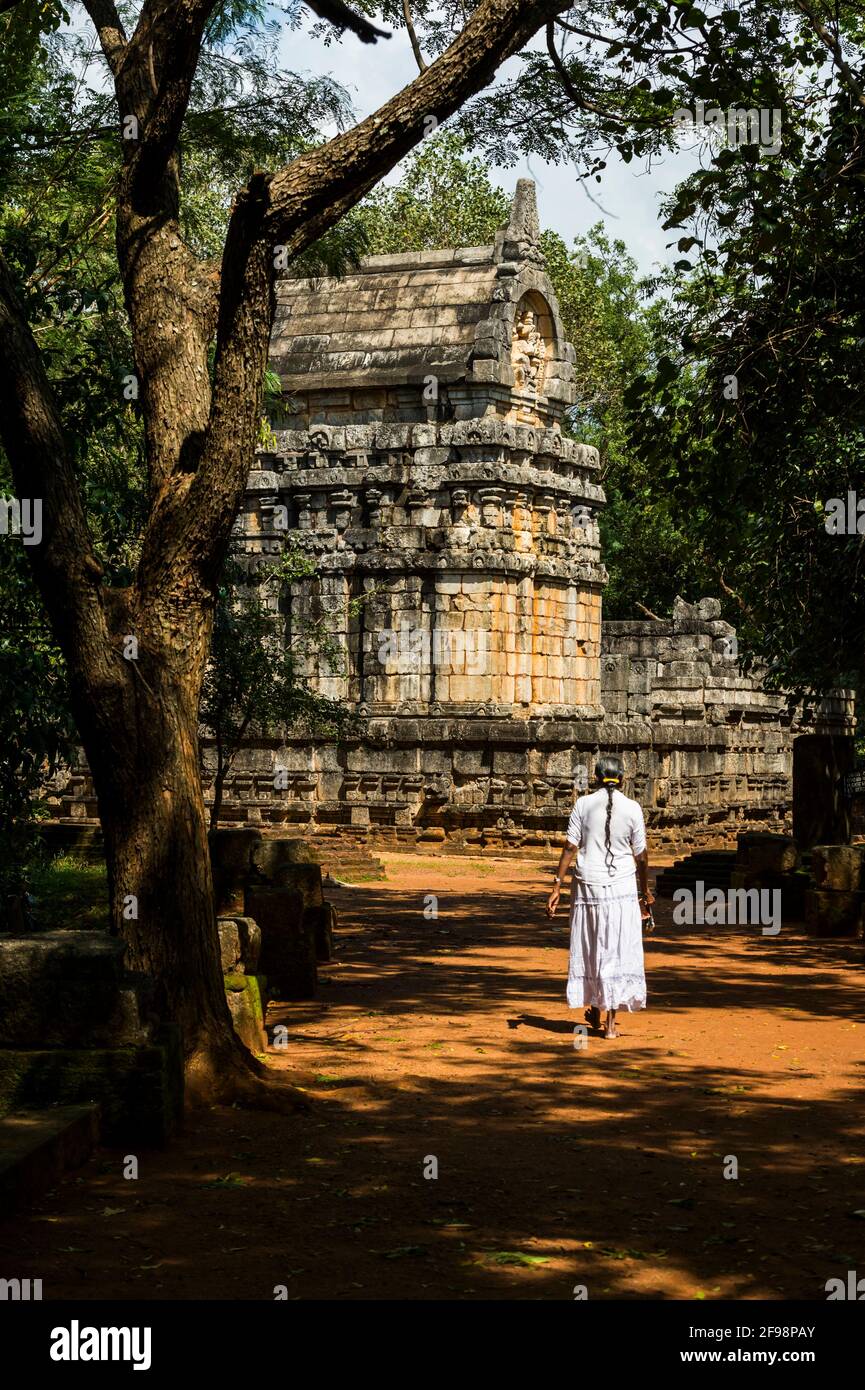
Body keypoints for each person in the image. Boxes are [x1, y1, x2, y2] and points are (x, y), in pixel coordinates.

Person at [546, 756, 653, 1039]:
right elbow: (640, 856)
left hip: (588, 885)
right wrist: (645, 892)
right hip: (621, 888)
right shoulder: (632, 808)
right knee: (616, 948)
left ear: (595, 778)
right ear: (622, 779)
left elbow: (570, 846)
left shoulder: (582, 804)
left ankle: (594, 1002)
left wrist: (557, 885)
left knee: (592, 944)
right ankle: (610, 1024)